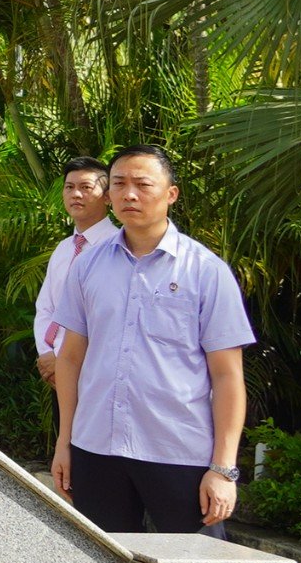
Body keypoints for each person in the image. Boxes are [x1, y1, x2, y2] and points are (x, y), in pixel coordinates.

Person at [49, 146, 253, 535]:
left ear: (171, 194)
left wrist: (223, 469)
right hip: (97, 450)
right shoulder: (87, 265)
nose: (129, 195)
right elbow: (71, 358)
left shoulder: (206, 271)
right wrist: (66, 443)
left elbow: (227, 377)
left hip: (179, 453)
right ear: (108, 195)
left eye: (143, 185)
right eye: (119, 184)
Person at [34, 157, 119, 386]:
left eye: (86, 187)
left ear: (108, 197)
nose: (76, 194)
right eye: (69, 187)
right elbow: (45, 308)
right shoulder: (63, 249)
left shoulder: (117, 248)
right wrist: (47, 353)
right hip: (54, 370)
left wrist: (65, 361)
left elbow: (108, 319)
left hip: (96, 375)